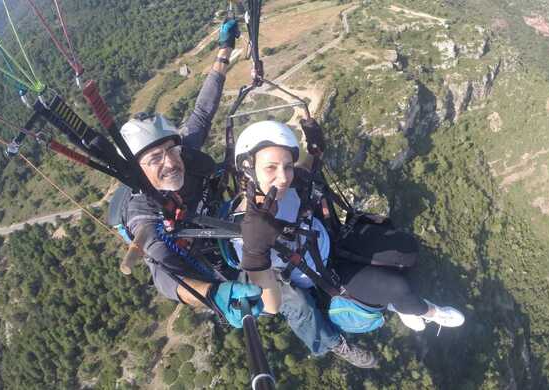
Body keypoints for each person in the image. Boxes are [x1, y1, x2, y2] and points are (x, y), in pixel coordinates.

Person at [118, 19, 376, 368]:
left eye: (171, 151)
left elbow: (204, 109)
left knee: (292, 203)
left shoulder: (185, 156)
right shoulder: (143, 213)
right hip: (214, 260)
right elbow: (163, 271)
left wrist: (224, 50)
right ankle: (330, 342)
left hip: (226, 218)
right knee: (294, 301)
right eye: (154, 159)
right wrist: (213, 294)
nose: (170, 163)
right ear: (138, 170)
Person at [232, 120, 465, 333]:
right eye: (270, 168)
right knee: (398, 287)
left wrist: (315, 147)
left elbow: (309, 165)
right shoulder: (245, 232)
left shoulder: (289, 184)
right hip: (326, 274)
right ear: (248, 169)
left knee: (407, 248)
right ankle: (428, 312)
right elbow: (271, 305)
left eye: (287, 166)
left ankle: (400, 301)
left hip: (333, 240)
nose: (283, 177)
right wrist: (255, 250)